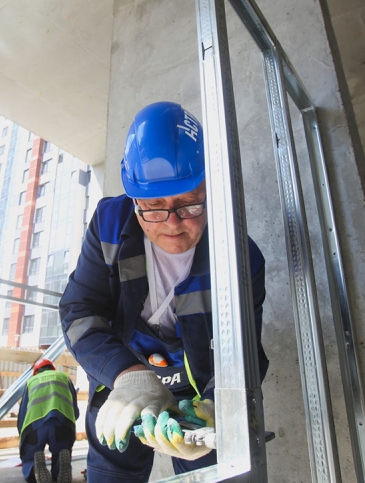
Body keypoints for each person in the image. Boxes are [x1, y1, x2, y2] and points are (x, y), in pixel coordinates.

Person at [59, 102, 269, 482]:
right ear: (135, 200)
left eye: (188, 204)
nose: (172, 225)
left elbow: (244, 349)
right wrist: (127, 374)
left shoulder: (241, 258)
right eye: (154, 208)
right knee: (112, 471)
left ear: (210, 186)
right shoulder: (110, 223)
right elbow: (80, 311)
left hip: (198, 387)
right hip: (123, 376)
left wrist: (220, 405)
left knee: (215, 470)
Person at [17, 357, 80, 483]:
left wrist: (23, 437)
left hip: (36, 425)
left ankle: (34, 470)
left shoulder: (31, 382)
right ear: (52, 368)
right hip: (62, 422)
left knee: (30, 451)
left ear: (36, 371)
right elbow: (75, 410)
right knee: (62, 448)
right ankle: (59, 470)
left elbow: (23, 415)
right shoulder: (64, 377)